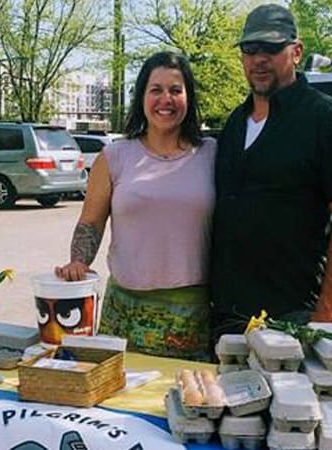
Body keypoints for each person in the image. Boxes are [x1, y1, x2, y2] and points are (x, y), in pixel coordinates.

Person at [210, 3, 332, 332]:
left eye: (270, 48)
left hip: (294, 314)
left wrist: (327, 311)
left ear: (296, 52)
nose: (259, 59)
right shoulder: (234, 125)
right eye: (250, 49)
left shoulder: (327, 119)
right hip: (229, 314)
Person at [55, 51, 217, 360]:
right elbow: (91, 222)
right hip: (124, 314)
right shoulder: (115, 156)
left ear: (188, 97)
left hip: (191, 317)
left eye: (175, 90)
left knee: (185, 404)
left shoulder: (213, 154)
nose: (165, 99)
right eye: (155, 89)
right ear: (142, 96)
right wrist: (78, 261)